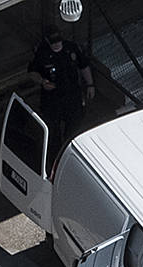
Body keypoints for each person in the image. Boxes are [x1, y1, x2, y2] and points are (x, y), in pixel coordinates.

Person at [28, 27, 95, 164]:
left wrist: (90, 84)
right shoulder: (42, 53)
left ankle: (71, 156)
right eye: (53, 42)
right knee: (53, 133)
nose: (57, 44)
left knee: (74, 129)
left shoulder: (71, 48)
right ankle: (55, 160)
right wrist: (42, 81)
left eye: (58, 40)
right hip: (52, 99)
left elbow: (83, 66)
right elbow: (32, 72)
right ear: (47, 41)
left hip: (72, 95)